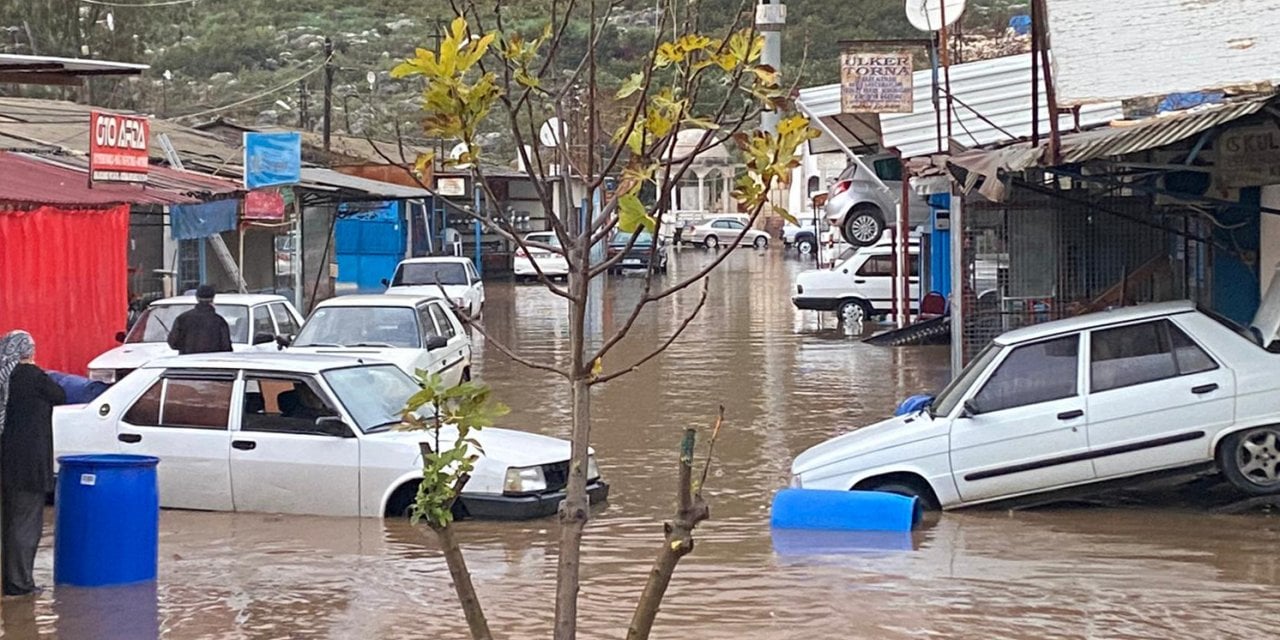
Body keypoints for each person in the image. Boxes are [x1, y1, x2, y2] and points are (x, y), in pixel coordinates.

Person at [0, 330, 66, 597]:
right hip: (27, 466)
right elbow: (60, 395)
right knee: (25, 525)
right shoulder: (33, 378)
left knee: (7, 524)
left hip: (4, 464)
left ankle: (8, 580)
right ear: (29, 352)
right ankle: (20, 585)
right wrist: (32, 367)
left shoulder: (3, 378)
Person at [167, 284, 232, 355]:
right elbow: (226, 347)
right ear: (213, 298)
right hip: (211, 362)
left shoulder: (183, 318)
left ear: (197, 298)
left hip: (186, 362)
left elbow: (173, 343)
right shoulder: (219, 321)